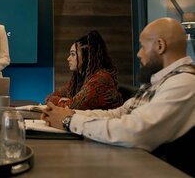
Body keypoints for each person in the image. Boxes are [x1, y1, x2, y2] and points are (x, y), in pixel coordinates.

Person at [42, 17, 195, 176]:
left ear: (160, 46)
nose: (138, 53)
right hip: (136, 163)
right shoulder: (158, 81)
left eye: (142, 46)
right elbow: (119, 113)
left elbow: (136, 131)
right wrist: (69, 115)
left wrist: (69, 121)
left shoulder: (184, 82)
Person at [45, 30, 123, 110]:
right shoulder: (79, 79)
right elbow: (49, 98)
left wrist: (63, 102)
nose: (68, 59)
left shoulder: (100, 79)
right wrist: (63, 101)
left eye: (73, 54)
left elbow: (72, 107)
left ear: (86, 56)